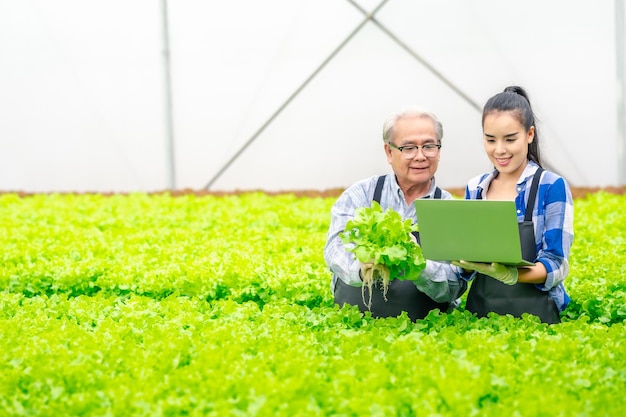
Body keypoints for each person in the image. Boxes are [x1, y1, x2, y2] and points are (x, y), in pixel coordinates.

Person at [324, 108, 469, 321]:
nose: (420, 156)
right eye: (409, 148)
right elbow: (335, 250)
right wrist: (363, 268)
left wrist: (417, 264)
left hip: (423, 331)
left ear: (439, 151)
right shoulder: (361, 195)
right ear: (389, 152)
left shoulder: (449, 210)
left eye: (429, 146)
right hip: (356, 324)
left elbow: (455, 284)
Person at [453, 86, 574, 324]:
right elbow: (464, 269)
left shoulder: (550, 186)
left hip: (538, 316)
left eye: (510, 139)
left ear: (529, 135)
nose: (500, 150)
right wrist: (457, 259)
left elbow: (556, 264)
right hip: (480, 314)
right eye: (490, 140)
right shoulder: (476, 188)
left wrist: (512, 275)